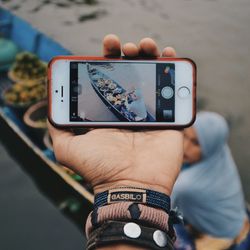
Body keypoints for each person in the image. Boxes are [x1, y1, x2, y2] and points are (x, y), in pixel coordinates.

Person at [48, 34, 183, 250]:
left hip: (136, 115)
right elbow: (131, 99)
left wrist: (123, 189)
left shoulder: (133, 101)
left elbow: (130, 101)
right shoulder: (134, 100)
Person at [172, 112, 250, 250]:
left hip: (220, 236)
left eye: (196, 142)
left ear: (210, 145)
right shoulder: (221, 151)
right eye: (185, 135)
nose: (185, 146)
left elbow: (163, 205)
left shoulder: (186, 184)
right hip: (239, 220)